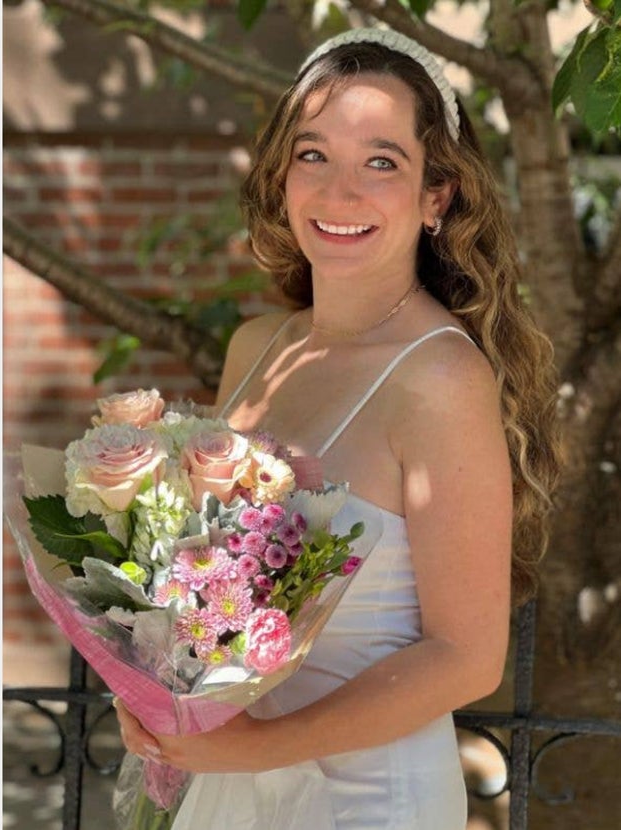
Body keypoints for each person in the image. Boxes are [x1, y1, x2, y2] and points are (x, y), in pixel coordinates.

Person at [114, 27, 560, 829]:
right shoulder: (258, 349)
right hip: (225, 779)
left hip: (364, 799)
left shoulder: (440, 378)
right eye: (314, 155)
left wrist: (253, 747)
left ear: (437, 197)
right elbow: (202, 579)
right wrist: (155, 685)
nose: (338, 192)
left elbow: (467, 658)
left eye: (381, 162)